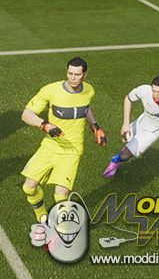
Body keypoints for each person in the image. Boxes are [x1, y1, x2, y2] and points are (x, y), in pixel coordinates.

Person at [20, 57, 107, 223]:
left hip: (72, 150)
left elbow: (85, 108)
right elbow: (26, 114)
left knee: (60, 195)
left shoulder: (89, 90)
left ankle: (62, 227)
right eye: (70, 73)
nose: (72, 78)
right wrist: (45, 125)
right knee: (28, 187)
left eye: (77, 74)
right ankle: (41, 214)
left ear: (85, 75)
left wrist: (94, 126)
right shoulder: (51, 90)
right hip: (50, 146)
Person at [102, 76, 159, 178]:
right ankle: (131, 146)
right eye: (154, 91)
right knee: (126, 138)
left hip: (156, 130)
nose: (156, 95)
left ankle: (115, 161)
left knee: (126, 154)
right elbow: (128, 99)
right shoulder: (144, 91)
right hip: (142, 121)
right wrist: (126, 124)